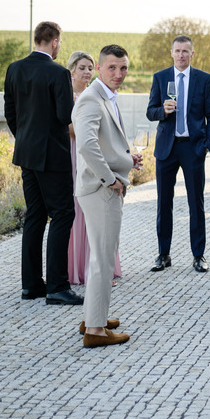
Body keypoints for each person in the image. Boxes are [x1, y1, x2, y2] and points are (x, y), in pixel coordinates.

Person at [3, 21, 82, 306]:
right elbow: (64, 116)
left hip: (26, 155)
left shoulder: (14, 69)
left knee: (35, 216)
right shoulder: (58, 72)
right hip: (53, 156)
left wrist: (25, 138)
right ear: (55, 42)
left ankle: (31, 285)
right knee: (63, 215)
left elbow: (10, 112)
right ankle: (57, 288)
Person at [72, 45, 140, 348]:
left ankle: (92, 316)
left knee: (98, 255)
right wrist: (110, 178)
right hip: (101, 190)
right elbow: (86, 146)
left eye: (123, 68)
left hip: (102, 187)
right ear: (98, 68)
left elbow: (103, 142)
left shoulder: (104, 96)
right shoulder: (90, 99)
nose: (118, 74)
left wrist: (127, 158)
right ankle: (96, 331)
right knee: (102, 257)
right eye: (112, 68)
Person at [146, 35, 210, 274]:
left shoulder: (204, 79)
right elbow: (150, 111)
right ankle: (163, 254)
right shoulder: (160, 78)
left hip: (193, 148)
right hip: (167, 148)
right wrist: (162, 111)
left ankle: (199, 255)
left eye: (185, 51)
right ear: (171, 53)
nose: (181, 55)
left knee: (195, 203)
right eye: (177, 51)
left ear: (192, 54)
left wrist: (206, 144)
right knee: (163, 203)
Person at [66, 51, 121, 286]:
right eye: (82, 68)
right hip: (77, 155)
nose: (86, 72)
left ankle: (99, 267)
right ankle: (81, 269)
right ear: (72, 70)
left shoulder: (99, 95)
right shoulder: (74, 96)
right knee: (81, 209)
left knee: (98, 216)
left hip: (95, 154)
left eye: (89, 67)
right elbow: (75, 131)